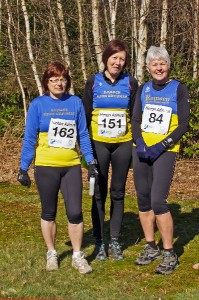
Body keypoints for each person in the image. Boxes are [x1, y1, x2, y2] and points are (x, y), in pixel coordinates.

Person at [17, 61, 98, 274]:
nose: (58, 84)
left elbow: (83, 135)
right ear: (46, 82)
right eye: (53, 80)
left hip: (70, 165)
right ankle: (52, 252)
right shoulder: (37, 105)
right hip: (46, 166)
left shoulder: (75, 103)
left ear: (67, 81)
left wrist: (90, 162)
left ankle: (77, 255)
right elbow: (29, 138)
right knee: (49, 212)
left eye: (62, 79)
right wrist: (23, 167)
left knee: (75, 212)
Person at [132, 46, 190, 275]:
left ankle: (169, 252)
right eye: (154, 64)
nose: (159, 68)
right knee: (143, 199)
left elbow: (184, 124)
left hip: (165, 151)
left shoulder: (178, 89)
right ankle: (150, 245)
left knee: (158, 201)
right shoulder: (143, 89)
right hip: (143, 150)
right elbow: (135, 119)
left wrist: (162, 145)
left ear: (168, 65)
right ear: (148, 68)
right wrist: (141, 142)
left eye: (162, 63)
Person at [82, 39, 138, 261]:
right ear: (106, 58)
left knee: (118, 191)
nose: (118, 62)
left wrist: (136, 143)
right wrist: (84, 149)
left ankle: (114, 241)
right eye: (114, 57)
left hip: (123, 143)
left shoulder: (131, 82)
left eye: (122, 59)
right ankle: (99, 242)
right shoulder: (93, 81)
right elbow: (84, 116)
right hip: (98, 143)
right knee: (98, 192)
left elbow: (135, 115)